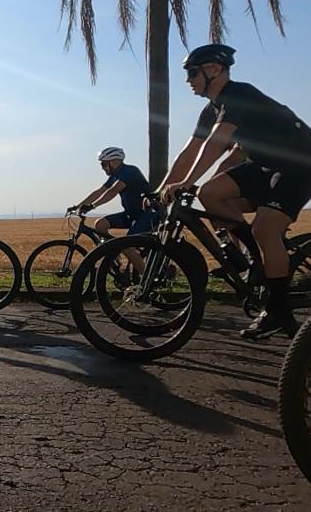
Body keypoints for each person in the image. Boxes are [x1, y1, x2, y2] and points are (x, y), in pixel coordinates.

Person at [159, 43, 311, 340]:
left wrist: (187, 182)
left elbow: (215, 143)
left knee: (266, 229)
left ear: (214, 70)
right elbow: (190, 151)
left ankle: (278, 309)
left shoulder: (239, 95)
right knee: (211, 193)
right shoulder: (211, 109)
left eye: (192, 73)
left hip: (299, 165)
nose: (188, 80)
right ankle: (254, 259)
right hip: (265, 166)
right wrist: (164, 187)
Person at [69, 147, 158, 273]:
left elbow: (112, 191)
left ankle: (147, 278)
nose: (102, 167)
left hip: (147, 215)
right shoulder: (116, 175)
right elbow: (100, 191)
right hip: (131, 214)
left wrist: (93, 206)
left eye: (104, 164)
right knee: (100, 224)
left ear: (115, 161)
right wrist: (78, 206)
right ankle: (115, 258)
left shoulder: (130, 171)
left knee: (127, 245)